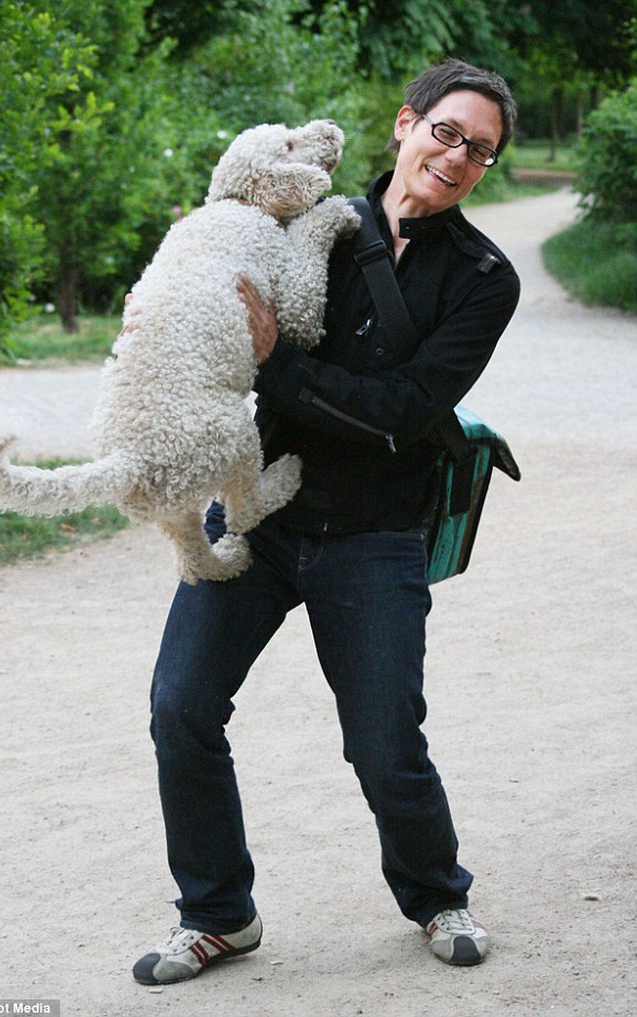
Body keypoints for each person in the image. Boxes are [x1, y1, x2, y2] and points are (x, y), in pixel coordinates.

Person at [132, 58, 521, 985]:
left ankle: (436, 893)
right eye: (447, 131)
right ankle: (218, 914)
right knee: (180, 708)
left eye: (482, 150)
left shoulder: (482, 279)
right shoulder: (307, 222)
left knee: (385, 740)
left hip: (376, 535)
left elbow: (403, 406)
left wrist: (277, 364)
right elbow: (209, 304)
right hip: (256, 514)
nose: (458, 155)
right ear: (405, 123)